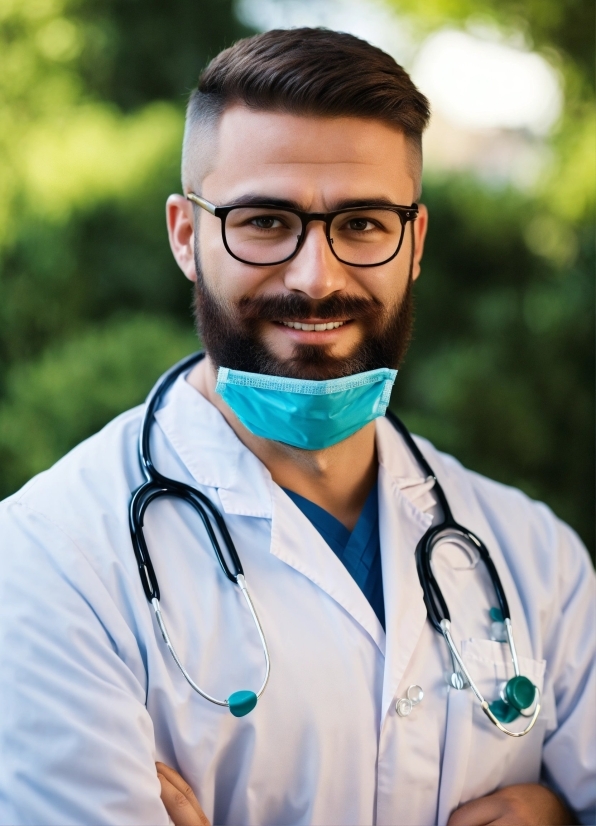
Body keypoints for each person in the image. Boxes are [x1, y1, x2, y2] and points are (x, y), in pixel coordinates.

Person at [0, 28, 593, 826]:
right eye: (266, 221)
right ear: (186, 235)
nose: (317, 278)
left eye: (363, 224)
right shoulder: (52, 562)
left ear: (413, 243)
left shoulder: (539, 560)